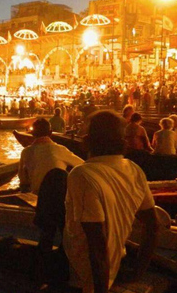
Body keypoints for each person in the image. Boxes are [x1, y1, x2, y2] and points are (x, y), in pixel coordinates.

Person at [64, 110, 157, 293]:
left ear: (87, 140)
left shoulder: (82, 175)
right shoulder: (133, 169)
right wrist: (138, 271)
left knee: (55, 178)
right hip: (116, 263)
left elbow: (97, 245)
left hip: (82, 273)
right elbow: (153, 225)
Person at [19, 118, 84, 251]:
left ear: (32, 134)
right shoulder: (59, 149)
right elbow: (82, 166)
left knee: (46, 233)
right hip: (58, 199)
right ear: (50, 133)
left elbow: (23, 181)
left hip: (39, 199)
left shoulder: (25, 152)